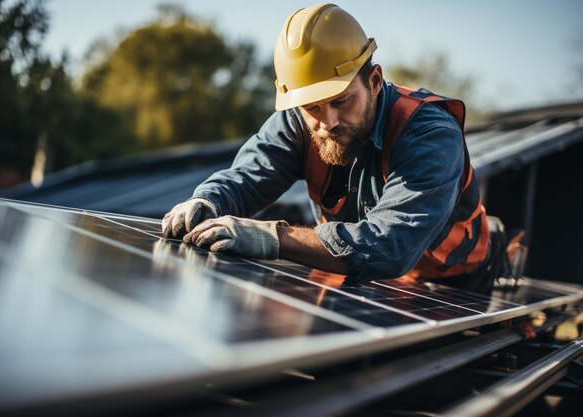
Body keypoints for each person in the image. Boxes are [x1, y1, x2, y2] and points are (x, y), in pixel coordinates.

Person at [162, 3, 507, 293]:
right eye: (311, 107)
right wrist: (208, 200)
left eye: (341, 101)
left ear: (373, 82)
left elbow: (390, 246)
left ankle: (495, 234)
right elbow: (248, 175)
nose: (326, 122)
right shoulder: (300, 121)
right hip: (366, 274)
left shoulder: (429, 133)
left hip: (455, 282)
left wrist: (272, 237)